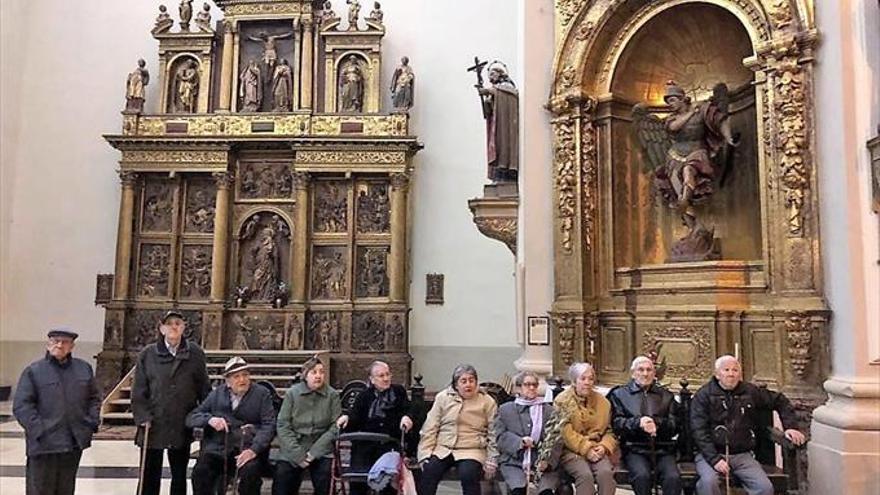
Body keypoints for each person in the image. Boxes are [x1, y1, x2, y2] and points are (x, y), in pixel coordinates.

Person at [691, 355, 806, 495]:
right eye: (726, 370)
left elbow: (780, 401)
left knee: (764, 488)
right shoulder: (704, 395)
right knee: (709, 483)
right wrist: (715, 459)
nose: (731, 374)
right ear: (717, 374)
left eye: (735, 370)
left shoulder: (750, 391)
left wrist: (791, 426)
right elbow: (699, 431)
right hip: (710, 454)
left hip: (741, 454)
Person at [132, 310, 211, 495]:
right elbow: (139, 390)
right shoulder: (148, 354)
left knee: (179, 474)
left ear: (184, 328)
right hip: (153, 424)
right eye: (169, 324)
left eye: (178, 323)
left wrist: (201, 416)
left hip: (181, 422)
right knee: (149, 475)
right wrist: (143, 416)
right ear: (161, 328)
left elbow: (204, 388)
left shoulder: (195, 354)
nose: (173, 327)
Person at [13, 328, 101, 495]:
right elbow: (22, 406)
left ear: (72, 346)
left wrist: (90, 423)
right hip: (43, 444)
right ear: (48, 344)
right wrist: (39, 429)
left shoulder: (84, 369)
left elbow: (94, 399)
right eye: (55, 341)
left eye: (65, 342)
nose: (60, 345)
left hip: (72, 443)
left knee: (66, 489)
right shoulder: (34, 371)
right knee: (40, 489)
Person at [187, 357, 277, 495]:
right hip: (219, 450)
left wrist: (254, 450)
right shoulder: (217, 394)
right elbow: (192, 417)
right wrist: (210, 420)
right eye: (237, 376)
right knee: (201, 472)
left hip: (247, 450)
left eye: (245, 375)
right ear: (228, 382)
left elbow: (269, 425)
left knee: (251, 473)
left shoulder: (261, 394)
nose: (242, 380)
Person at [417, 364, 499, 495]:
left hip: (472, 449)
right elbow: (430, 428)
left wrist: (492, 458)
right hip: (444, 448)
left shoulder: (486, 401)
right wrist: (425, 454)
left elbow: (494, 432)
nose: (468, 385)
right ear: (456, 385)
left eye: (472, 381)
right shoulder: (443, 398)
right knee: (430, 471)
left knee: (469, 474)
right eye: (464, 381)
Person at [336, 361, 414, 495]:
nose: (386, 378)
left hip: (389, 445)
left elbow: (409, 410)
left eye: (388, 374)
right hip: (365, 446)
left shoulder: (398, 392)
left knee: (387, 479)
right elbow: (354, 416)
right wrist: (346, 418)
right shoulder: (364, 396)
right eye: (381, 375)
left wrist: (407, 417)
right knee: (358, 481)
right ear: (372, 379)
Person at [607, 356, 682, 495]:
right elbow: (615, 423)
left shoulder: (666, 396)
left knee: (673, 478)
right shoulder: (619, 394)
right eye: (641, 370)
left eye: (649, 370)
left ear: (654, 374)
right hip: (634, 448)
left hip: (662, 448)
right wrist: (638, 423)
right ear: (633, 373)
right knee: (642, 476)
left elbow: (675, 425)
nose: (645, 374)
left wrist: (657, 423)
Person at [273, 356, 342, 495]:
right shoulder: (292, 394)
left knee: (325, 476)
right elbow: (283, 425)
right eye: (314, 372)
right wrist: (298, 454)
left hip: (321, 448)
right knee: (283, 475)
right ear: (305, 376)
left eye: (321, 372)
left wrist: (314, 453)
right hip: (294, 447)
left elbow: (335, 427)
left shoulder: (332, 395)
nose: (318, 376)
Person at [554, 362, 617, 495]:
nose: (587, 382)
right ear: (574, 381)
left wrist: (604, 447)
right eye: (583, 379)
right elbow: (565, 432)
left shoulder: (603, 402)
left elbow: (609, 430)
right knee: (585, 475)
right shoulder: (562, 401)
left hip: (597, 447)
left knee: (606, 474)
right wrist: (586, 449)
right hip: (571, 451)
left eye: (591, 378)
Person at [495, 371, 561, 495]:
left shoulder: (548, 410)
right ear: (518, 388)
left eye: (534, 385)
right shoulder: (506, 410)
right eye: (527, 385)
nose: (532, 388)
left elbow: (557, 439)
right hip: (514, 462)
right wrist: (519, 442)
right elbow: (500, 436)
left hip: (542, 463)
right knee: (518, 490)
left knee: (546, 492)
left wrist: (548, 461)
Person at [477, 61, 519, 182]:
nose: (490, 77)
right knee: (497, 144)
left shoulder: (507, 85)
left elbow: (510, 94)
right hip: (497, 125)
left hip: (506, 126)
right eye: (489, 75)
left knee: (504, 144)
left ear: (500, 73)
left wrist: (489, 91)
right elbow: (489, 112)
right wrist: (487, 102)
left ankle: (507, 169)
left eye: (493, 73)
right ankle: (499, 171)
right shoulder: (496, 90)